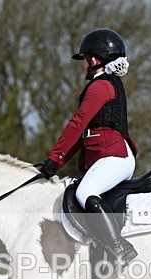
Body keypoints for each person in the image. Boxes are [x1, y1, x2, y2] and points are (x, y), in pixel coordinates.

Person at [38, 28, 139, 266]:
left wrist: (55, 157)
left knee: (85, 193)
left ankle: (120, 248)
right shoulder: (103, 84)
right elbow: (82, 135)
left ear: (93, 60)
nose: (82, 65)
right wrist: (55, 163)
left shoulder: (101, 86)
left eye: (83, 59)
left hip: (115, 156)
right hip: (110, 156)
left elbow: (77, 123)